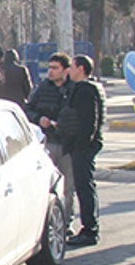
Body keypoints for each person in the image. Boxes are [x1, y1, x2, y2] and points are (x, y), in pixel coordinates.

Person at [24, 52, 75, 218]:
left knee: (68, 187)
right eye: (49, 68)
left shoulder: (74, 89)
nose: (51, 72)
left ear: (66, 70)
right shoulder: (43, 88)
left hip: (68, 144)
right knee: (45, 185)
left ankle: (67, 220)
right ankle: (47, 220)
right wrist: (40, 119)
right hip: (48, 142)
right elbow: (28, 109)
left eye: (55, 68)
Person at [64, 54, 106, 247]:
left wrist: (80, 145)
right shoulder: (87, 88)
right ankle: (89, 227)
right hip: (84, 146)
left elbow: (89, 121)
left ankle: (90, 229)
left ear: (81, 69)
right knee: (85, 186)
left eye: (72, 67)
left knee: (84, 187)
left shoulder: (85, 91)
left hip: (83, 147)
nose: (69, 71)